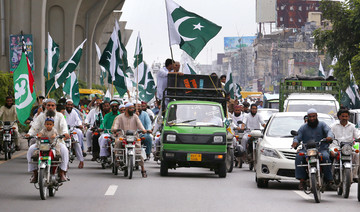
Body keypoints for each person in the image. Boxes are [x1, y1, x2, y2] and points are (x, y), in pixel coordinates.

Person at [26, 99, 69, 183]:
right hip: (42, 143)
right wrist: (29, 134)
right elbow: (34, 127)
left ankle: (62, 173)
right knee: (31, 149)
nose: (50, 107)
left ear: (55, 107)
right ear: (45, 106)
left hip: (57, 142)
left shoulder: (60, 116)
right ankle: (35, 173)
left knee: (64, 150)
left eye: (52, 105)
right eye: (48, 105)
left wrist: (65, 133)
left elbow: (64, 126)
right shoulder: (41, 116)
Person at [292, 108, 334, 190]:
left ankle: (329, 178)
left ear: (316, 116)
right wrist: (295, 142)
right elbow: (297, 137)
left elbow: (329, 131)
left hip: (321, 149)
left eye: (313, 116)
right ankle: (302, 180)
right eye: (310, 117)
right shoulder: (303, 127)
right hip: (306, 150)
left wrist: (329, 137)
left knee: (325, 157)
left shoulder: (322, 125)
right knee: (299, 157)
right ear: (307, 117)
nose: (312, 118)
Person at [112, 103, 148, 177]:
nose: (133, 110)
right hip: (123, 136)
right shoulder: (119, 117)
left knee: (139, 151)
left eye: (133, 108)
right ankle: (118, 158)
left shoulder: (135, 117)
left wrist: (143, 130)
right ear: (126, 109)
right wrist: (115, 129)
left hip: (134, 136)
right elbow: (115, 125)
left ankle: (143, 170)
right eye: (131, 108)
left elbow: (140, 125)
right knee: (118, 142)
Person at [330, 109, 360, 182]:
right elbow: (329, 136)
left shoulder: (353, 126)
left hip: (348, 148)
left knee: (357, 154)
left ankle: (354, 174)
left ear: (348, 117)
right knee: (330, 155)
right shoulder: (333, 126)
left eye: (346, 116)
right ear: (339, 117)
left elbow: (357, 136)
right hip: (336, 147)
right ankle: (331, 175)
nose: (344, 118)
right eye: (343, 116)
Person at [64, 99, 85, 168]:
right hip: (64, 131)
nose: (69, 106)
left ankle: (81, 160)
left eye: (71, 105)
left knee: (76, 142)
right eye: (68, 104)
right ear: (65, 105)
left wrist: (80, 125)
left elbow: (78, 120)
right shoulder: (63, 112)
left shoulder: (74, 112)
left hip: (73, 130)